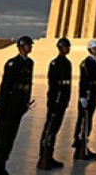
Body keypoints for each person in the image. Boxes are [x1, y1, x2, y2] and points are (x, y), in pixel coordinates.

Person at [0, 35, 34, 175]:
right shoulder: (12, 63)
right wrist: (3, 103)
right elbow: (6, 84)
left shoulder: (30, 63)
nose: (30, 47)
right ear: (21, 47)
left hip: (19, 104)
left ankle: (2, 165)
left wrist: (26, 103)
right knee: (3, 135)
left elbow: (28, 85)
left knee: (11, 136)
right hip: (9, 103)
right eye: (28, 45)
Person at [37, 37, 72, 170]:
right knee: (49, 130)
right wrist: (54, 101)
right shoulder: (55, 63)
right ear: (60, 48)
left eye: (68, 47)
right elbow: (53, 85)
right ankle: (43, 159)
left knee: (55, 130)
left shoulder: (67, 63)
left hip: (62, 101)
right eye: (65, 47)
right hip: (55, 102)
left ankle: (49, 157)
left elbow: (67, 85)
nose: (68, 49)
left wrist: (65, 100)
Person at [72, 40, 96, 161]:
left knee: (88, 120)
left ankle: (84, 146)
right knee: (83, 120)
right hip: (87, 93)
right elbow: (83, 80)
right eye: (95, 48)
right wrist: (82, 96)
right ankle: (80, 147)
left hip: (93, 92)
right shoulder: (86, 63)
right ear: (89, 50)